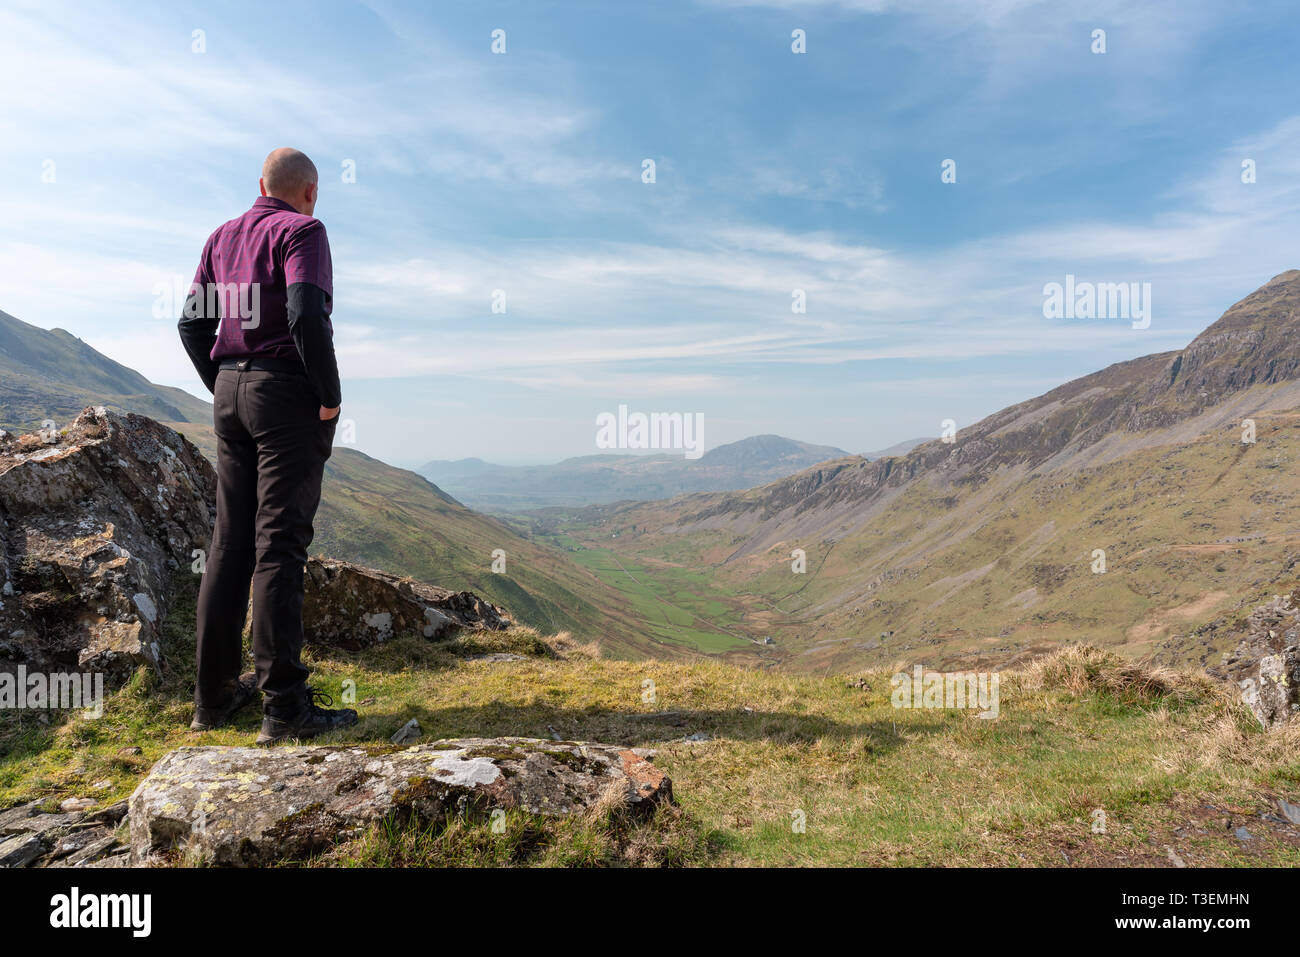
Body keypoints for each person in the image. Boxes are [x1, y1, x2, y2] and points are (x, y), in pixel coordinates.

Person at [178, 147, 358, 745]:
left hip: (229, 392)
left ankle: (213, 698)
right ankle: (284, 708)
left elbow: (190, 324)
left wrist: (226, 381)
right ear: (310, 192)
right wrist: (327, 395)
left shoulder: (221, 237)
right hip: (284, 396)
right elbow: (307, 311)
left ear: (260, 184)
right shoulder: (304, 232)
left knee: (230, 541)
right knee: (280, 543)